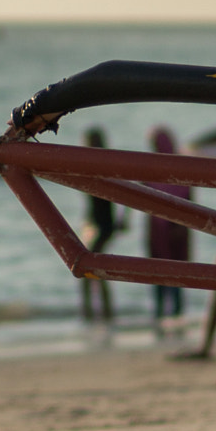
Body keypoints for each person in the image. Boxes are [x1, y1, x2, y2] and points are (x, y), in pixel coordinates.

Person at [145, 126, 191, 322]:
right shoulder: (149, 167)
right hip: (157, 228)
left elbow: (189, 201)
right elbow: (138, 196)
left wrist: (183, 226)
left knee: (178, 273)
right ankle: (159, 314)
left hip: (176, 227)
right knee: (156, 271)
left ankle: (177, 315)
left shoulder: (180, 166)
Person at [79, 127, 121, 321]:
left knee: (91, 269)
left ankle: (97, 313)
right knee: (92, 269)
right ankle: (99, 312)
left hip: (104, 225)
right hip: (96, 224)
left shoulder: (103, 166)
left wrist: (120, 220)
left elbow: (119, 194)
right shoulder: (93, 166)